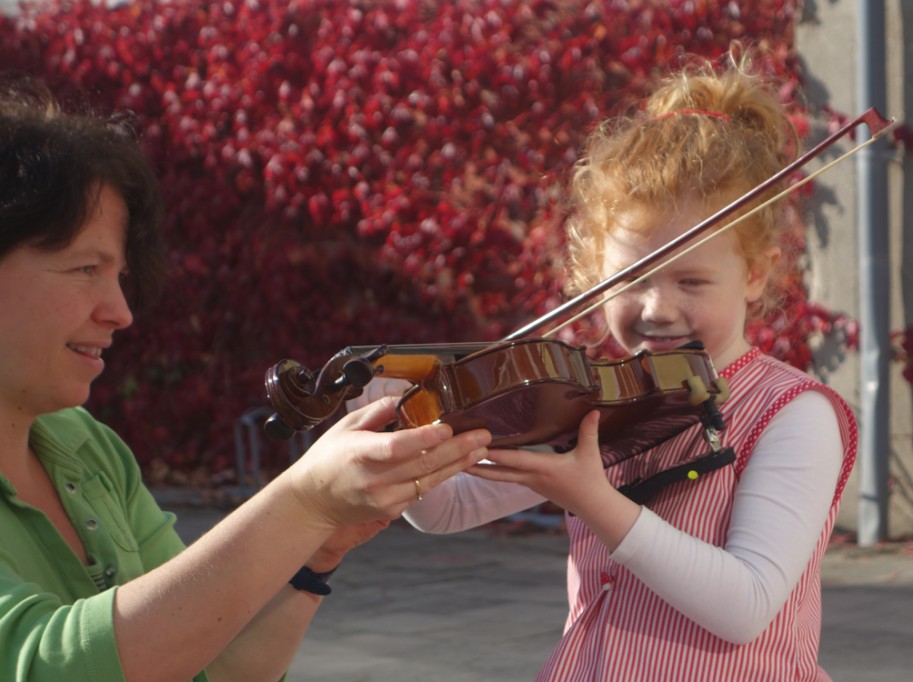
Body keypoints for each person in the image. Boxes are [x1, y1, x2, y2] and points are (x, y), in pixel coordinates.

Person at [0, 78, 492, 682]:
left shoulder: (90, 450)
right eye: (84, 269)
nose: (120, 311)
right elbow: (49, 666)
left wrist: (315, 551)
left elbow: (209, 666)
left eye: (119, 276)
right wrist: (302, 499)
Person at [398, 52, 859, 680]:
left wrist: (595, 500)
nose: (657, 308)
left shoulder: (793, 414)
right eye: (631, 279)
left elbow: (745, 606)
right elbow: (445, 511)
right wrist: (393, 417)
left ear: (755, 274)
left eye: (691, 281)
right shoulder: (589, 403)